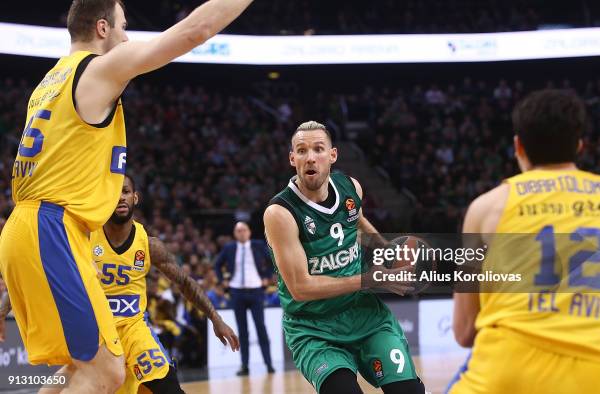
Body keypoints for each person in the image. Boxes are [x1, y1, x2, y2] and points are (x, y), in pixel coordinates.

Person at [0, 0, 252, 391]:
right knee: (105, 373)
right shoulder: (96, 69)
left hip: (34, 227)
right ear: (102, 28)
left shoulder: (50, 81)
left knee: (88, 366)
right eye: (123, 26)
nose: (127, 36)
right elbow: (193, 32)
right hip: (51, 227)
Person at [449, 90, 600, 393]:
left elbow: (463, 331)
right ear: (580, 145)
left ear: (518, 146)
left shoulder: (487, 207)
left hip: (505, 374)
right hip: (599, 376)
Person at [264, 121, 425, 394]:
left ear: (333, 155)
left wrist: (389, 252)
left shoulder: (351, 187)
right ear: (292, 159)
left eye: (318, 149)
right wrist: (369, 281)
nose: (310, 157)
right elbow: (300, 288)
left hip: (363, 314)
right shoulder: (280, 213)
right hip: (313, 328)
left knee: (408, 391)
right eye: (302, 151)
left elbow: (358, 222)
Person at [91, 175, 239, 393]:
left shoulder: (149, 245)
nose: (120, 198)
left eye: (125, 191)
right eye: (113, 192)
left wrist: (215, 319)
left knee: (169, 388)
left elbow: (185, 283)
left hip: (134, 330)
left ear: (135, 197)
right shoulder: (86, 238)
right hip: (97, 333)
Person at [215, 222, 275, 375]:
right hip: (237, 292)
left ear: (249, 232)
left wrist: (267, 277)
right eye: (238, 231)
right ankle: (244, 365)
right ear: (235, 234)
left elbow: (271, 260)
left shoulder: (257, 245)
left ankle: (268, 364)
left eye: (244, 230)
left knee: (260, 327)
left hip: (256, 290)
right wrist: (223, 280)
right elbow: (217, 264)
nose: (241, 233)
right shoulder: (230, 248)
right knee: (242, 330)